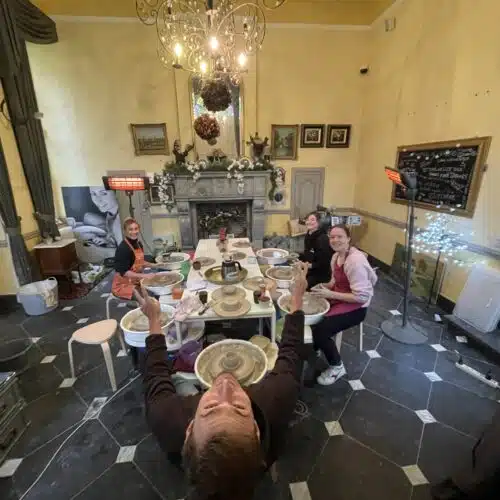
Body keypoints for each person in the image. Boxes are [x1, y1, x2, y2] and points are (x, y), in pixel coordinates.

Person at [138, 263, 309, 500]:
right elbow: (291, 352)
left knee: (178, 381)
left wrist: (153, 318)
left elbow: (155, 373)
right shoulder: (276, 400)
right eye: (239, 408)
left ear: (188, 430)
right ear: (256, 430)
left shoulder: (166, 418)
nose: (226, 385)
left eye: (210, 408)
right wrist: (297, 298)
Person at [310, 224, 377, 386]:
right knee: (311, 312)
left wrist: (331, 294)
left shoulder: (355, 261)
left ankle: (337, 366)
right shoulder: (336, 257)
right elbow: (334, 283)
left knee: (321, 329)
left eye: (339, 236)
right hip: (341, 296)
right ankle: (314, 347)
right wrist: (323, 287)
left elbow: (361, 296)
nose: (335, 240)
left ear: (348, 239)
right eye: (332, 237)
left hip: (357, 307)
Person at [111, 217, 162, 300]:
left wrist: (156, 265)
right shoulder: (123, 248)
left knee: (158, 289)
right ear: (125, 231)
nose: (134, 232)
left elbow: (140, 262)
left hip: (136, 281)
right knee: (149, 298)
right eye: (130, 229)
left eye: (136, 229)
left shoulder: (138, 244)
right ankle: (138, 306)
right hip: (123, 285)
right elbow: (124, 272)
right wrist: (145, 276)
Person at [299, 212, 334, 290]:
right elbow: (308, 253)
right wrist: (299, 258)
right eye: (307, 220)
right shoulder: (308, 235)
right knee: (295, 277)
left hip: (321, 275)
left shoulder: (323, 239)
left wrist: (307, 266)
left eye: (312, 220)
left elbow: (324, 264)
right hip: (310, 270)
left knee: (300, 286)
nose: (309, 222)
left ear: (319, 222)